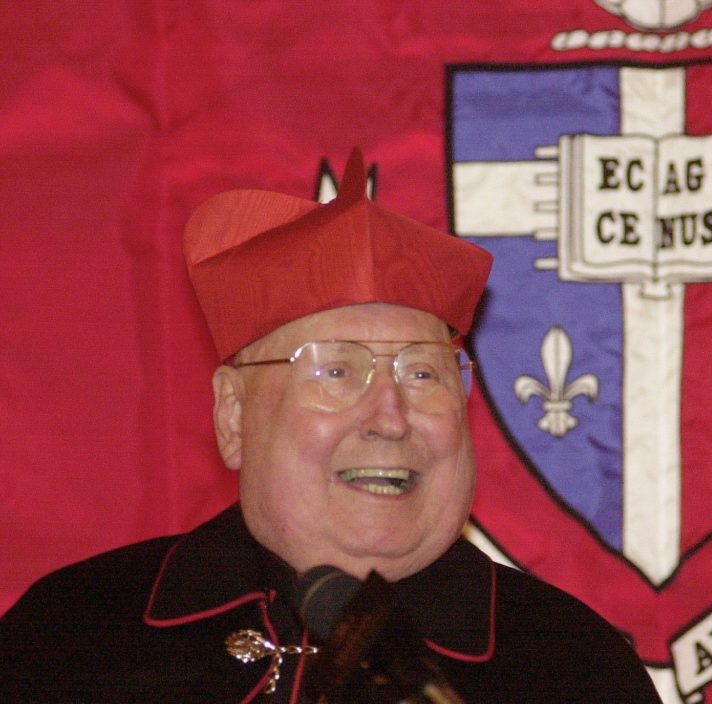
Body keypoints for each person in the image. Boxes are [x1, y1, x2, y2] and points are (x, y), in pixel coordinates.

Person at [0, 148, 662, 703]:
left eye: (423, 374)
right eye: (336, 372)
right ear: (233, 415)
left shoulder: (572, 669)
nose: (389, 416)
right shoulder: (72, 635)